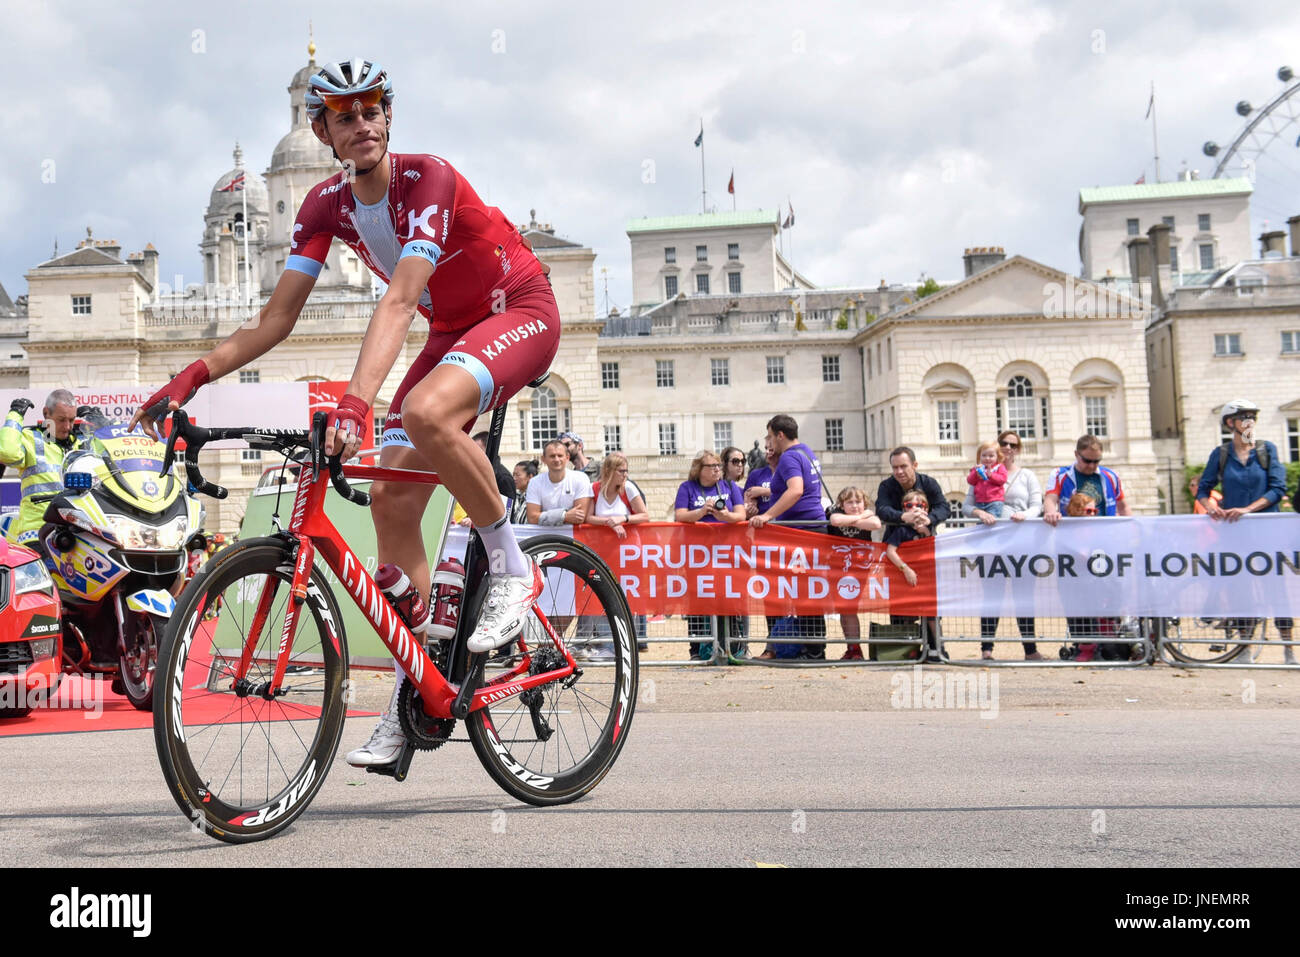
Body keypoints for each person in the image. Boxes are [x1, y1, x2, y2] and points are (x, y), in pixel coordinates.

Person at [131, 59, 560, 769]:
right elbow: (275, 322)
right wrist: (190, 378)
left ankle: (513, 564)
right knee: (391, 495)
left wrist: (357, 402)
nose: (362, 124)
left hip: (518, 309)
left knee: (421, 413)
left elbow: (396, 299)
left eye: (372, 112)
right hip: (451, 331)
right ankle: (417, 683)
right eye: (345, 115)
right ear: (322, 129)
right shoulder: (323, 206)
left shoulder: (431, 179)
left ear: (387, 118)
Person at [1195, 399, 1293, 664]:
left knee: (1275, 587)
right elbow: (1204, 489)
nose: (1250, 421)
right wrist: (1211, 508)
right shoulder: (1221, 454)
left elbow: (1278, 488)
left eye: (1253, 417)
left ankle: (1288, 648)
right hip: (1236, 534)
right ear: (1230, 423)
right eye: (1245, 417)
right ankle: (1245, 648)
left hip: (1266, 532)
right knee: (1241, 589)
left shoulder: (1267, 450)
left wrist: (1248, 508)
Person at [749, 415, 831, 658]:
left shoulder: (790, 457)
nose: (770, 442)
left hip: (802, 531)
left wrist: (768, 515)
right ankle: (813, 648)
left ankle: (813, 650)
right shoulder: (807, 452)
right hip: (811, 528)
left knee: (804, 592)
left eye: (771, 436)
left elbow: (796, 490)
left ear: (780, 435)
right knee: (808, 590)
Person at [962, 429, 1044, 661]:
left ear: (1018, 450)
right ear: (995, 448)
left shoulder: (1027, 475)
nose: (1008, 448)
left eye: (1013, 445)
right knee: (991, 595)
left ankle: (1030, 649)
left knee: (1024, 596)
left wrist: (1024, 515)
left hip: (1021, 543)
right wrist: (979, 512)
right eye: (1004, 444)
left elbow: (1037, 504)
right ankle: (986, 649)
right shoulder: (979, 474)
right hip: (990, 544)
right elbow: (967, 506)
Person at [676, 450, 746, 659]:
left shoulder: (730, 487)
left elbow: (741, 514)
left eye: (718, 465)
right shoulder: (687, 488)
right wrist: (700, 512)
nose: (717, 469)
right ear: (700, 469)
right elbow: (679, 515)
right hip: (698, 555)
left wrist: (726, 516)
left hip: (726, 553)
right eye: (712, 466)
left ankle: (732, 646)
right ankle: (697, 649)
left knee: (729, 598)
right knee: (698, 601)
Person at [1, 390, 84, 545]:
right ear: (46, 413)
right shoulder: (31, 438)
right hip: (37, 533)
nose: (67, 427)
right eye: (61, 420)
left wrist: (101, 425)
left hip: (78, 535)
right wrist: (15, 415)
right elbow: (7, 453)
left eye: (72, 420)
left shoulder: (80, 443)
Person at [884, 489, 942, 661]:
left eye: (919, 505)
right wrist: (905, 569)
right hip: (908, 578)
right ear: (904, 509)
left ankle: (938, 648)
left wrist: (926, 532)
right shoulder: (901, 530)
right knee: (907, 616)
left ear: (926, 508)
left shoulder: (930, 528)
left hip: (928, 577)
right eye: (909, 505)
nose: (915, 508)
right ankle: (909, 649)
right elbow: (890, 551)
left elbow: (936, 547)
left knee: (932, 615)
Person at [827, 486, 882, 659]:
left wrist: (850, 520)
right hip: (838, 567)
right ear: (841, 504)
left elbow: (875, 524)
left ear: (864, 502)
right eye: (849, 502)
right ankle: (852, 647)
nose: (854, 505)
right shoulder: (835, 512)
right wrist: (859, 518)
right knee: (844, 609)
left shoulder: (869, 514)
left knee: (849, 608)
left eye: (858, 502)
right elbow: (835, 520)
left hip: (859, 568)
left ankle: (855, 648)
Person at [1042, 435, 1130, 524]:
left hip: (1107, 533)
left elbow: (1123, 507)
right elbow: (1050, 499)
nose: (1091, 466)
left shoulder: (1111, 476)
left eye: (1096, 461)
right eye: (1087, 461)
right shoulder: (1059, 475)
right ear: (1076, 454)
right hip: (1072, 533)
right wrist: (1051, 513)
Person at [875, 447, 951, 534]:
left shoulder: (929, 483)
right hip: (895, 542)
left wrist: (929, 519)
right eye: (895, 467)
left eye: (903, 466)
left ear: (915, 465)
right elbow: (881, 510)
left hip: (925, 538)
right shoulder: (886, 486)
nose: (899, 471)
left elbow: (944, 508)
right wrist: (903, 516)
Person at [526, 440, 593, 527]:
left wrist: (544, 516)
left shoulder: (581, 478)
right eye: (552, 456)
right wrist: (564, 516)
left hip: (572, 538)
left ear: (567, 457)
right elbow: (532, 518)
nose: (556, 459)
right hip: (544, 538)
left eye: (560, 455)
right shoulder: (534, 482)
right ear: (543, 459)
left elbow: (579, 517)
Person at [588, 453, 649, 538]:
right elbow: (588, 518)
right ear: (608, 470)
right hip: (601, 543)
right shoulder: (593, 488)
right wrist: (611, 523)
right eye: (621, 471)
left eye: (626, 471)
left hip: (628, 542)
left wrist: (624, 518)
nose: (625, 475)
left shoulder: (628, 487)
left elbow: (645, 516)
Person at [966, 441, 1007, 519]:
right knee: (981, 524)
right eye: (984, 455)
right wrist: (976, 474)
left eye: (991, 456)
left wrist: (991, 475)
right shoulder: (978, 468)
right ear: (979, 456)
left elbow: (1002, 479)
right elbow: (970, 481)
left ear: (997, 457)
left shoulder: (999, 467)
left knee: (991, 522)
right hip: (979, 502)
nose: (987, 458)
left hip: (995, 502)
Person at [474, 430, 516, 502]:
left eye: (477, 450)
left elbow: (508, 510)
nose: (473, 454)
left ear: (489, 450)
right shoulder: (478, 473)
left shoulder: (503, 478)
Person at [511, 459, 539, 524]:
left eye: (517, 475)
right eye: (513, 475)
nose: (514, 478)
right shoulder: (513, 496)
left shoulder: (537, 498)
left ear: (530, 477)